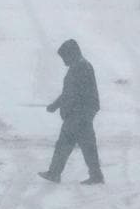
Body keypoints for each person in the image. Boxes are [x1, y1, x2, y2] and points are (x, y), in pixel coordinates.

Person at [39, 39, 105, 185]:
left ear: (71, 54)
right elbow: (70, 92)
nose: (63, 61)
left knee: (65, 143)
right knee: (86, 145)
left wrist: (56, 106)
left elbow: (71, 93)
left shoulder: (80, 67)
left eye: (64, 57)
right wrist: (56, 106)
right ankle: (96, 175)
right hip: (82, 112)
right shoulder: (80, 66)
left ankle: (54, 173)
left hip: (78, 113)